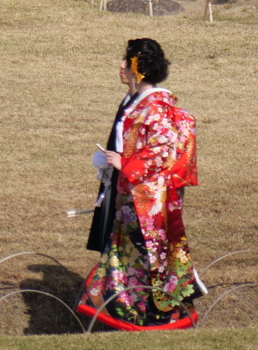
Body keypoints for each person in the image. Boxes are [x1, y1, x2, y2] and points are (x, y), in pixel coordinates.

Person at [76, 37, 203, 331]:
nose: (121, 66)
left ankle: (148, 317)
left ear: (139, 67)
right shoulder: (141, 102)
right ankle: (125, 315)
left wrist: (125, 164)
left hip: (147, 198)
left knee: (146, 257)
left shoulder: (156, 107)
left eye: (126, 60)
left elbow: (161, 149)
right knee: (130, 256)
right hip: (133, 195)